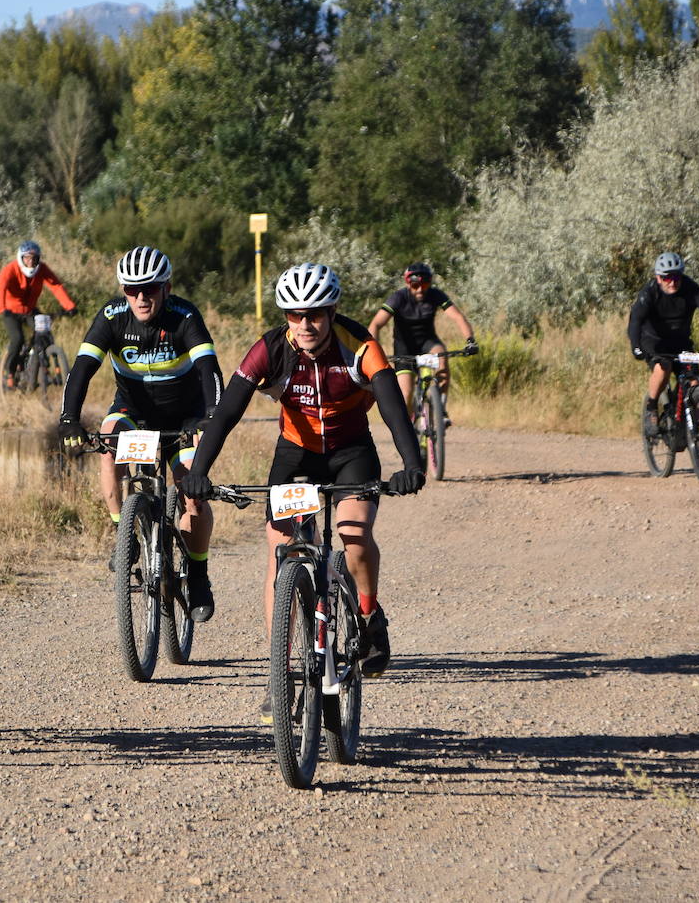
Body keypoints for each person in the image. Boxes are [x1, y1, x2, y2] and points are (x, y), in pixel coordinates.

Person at [178, 263, 424, 720]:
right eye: (295, 315)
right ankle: (282, 674)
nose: (305, 324)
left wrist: (412, 464)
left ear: (332, 313)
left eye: (314, 314)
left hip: (352, 452)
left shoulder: (360, 348)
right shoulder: (269, 351)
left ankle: (369, 615)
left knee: (353, 533)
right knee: (279, 550)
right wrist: (201, 470)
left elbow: (392, 410)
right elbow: (226, 413)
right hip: (295, 455)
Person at [57, 245, 224, 621]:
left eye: (149, 288)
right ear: (123, 290)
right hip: (134, 413)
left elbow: (210, 369)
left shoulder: (184, 315)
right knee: (108, 437)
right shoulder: (112, 317)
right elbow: (82, 369)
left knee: (193, 495)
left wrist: (211, 415)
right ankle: (124, 536)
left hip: (185, 418)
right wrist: (69, 418)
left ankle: (198, 574)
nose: (141, 297)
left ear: (165, 287)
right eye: (132, 290)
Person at [629, 252, 699, 436]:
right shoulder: (649, 293)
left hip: (681, 342)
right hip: (654, 342)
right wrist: (636, 347)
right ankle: (652, 407)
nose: (672, 282)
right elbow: (635, 322)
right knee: (664, 368)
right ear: (658, 278)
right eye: (667, 277)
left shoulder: (690, 288)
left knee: (694, 380)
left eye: (676, 276)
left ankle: (696, 431)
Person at [368, 262, 478, 421]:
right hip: (404, 348)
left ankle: (441, 409)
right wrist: (374, 350)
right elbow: (376, 324)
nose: (420, 289)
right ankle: (409, 427)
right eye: (415, 285)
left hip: (428, 342)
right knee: (406, 393)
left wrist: (470, 341)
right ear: (408, 284)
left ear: (430, 283)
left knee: (442, 357)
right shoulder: (398, 298)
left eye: (424, 284)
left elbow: (457, 317)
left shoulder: (435, 295)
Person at [0, 241, 77, 386]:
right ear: (21, 258)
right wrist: (2, 309)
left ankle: (42, 366)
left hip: (30, 310)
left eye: (34, 258)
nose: (31, 262)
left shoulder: (42, 269)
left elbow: (56, 286)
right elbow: (0, 286)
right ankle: (10, 371)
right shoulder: (11, 269)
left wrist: (69, 306)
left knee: (44, 332)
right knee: (17, 338)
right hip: (11, 311)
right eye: (27, 258)